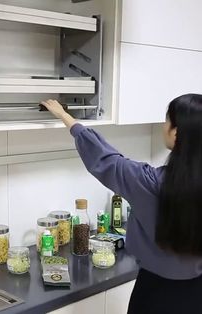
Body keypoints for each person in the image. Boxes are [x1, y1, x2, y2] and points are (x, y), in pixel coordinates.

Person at [41, 94, 202, 314]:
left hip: (155, 292)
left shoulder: (149, 183)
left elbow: (105, 159)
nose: (164, 126)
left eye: (167, 120)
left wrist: (64, 116)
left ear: (176, 132)